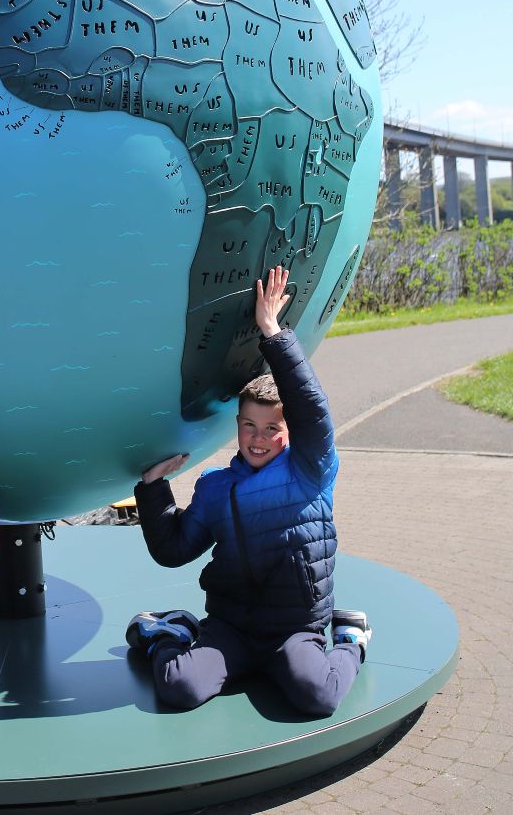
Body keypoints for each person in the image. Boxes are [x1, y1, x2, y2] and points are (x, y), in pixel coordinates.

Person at [126, 265, 372, 717]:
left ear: (290, 430)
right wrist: (153, 488)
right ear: (236, 427)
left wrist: (272, 331)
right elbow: (173, 549)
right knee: (177, 688)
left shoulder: (310, 469)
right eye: (248, 427)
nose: (258, 438)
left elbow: (311, 407)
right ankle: (170, 630)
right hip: (231, 629)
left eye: (271, 428)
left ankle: (350, 640)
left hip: (295, 630)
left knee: (318, 697)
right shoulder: (216, 488)